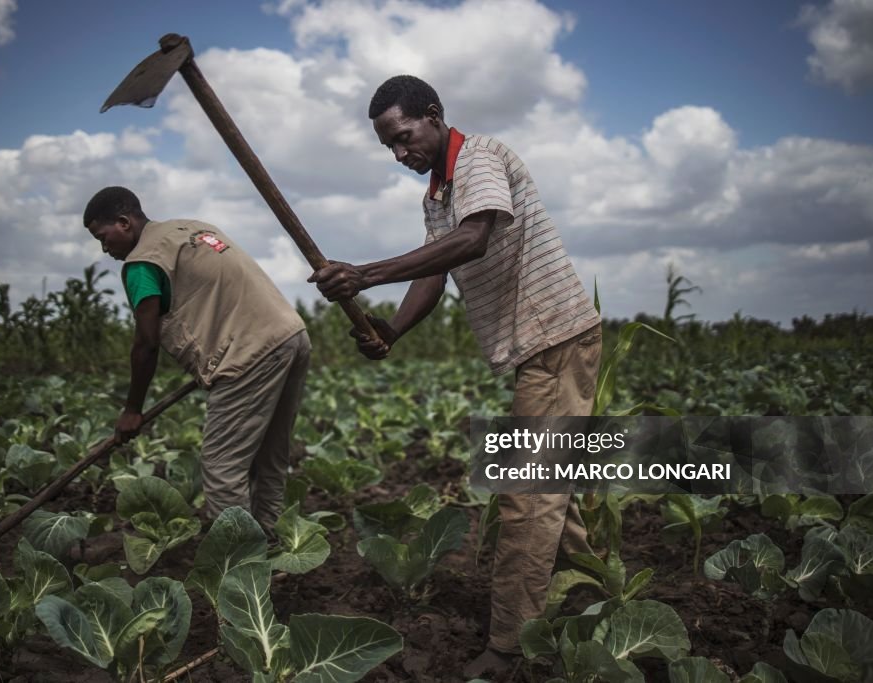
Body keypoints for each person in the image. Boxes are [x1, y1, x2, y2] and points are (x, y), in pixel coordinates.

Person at [308, 76, 603, 677]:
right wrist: (390, 331)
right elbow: (433, 274)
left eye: (404, 136)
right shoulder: (438, 196)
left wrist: (363, 275)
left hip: (555, 340)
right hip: (540, 347)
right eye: (389, 146)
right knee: (553, 492)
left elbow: (473, 241)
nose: (400, 154)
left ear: (434, 116)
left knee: (528, 498)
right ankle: (594, 600)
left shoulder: (479, 159)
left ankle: (509, 646)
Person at [83, 186, 310, 532]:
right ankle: (269, 541)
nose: (104, 248)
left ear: (125, 222)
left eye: (103, 236)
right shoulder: (191, 229)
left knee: (222, 467)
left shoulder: (143, 262)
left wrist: (132, 410)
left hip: (248, 355)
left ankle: (238, 564)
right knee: (271, 457)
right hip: (291, 336)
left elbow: (146, 343)